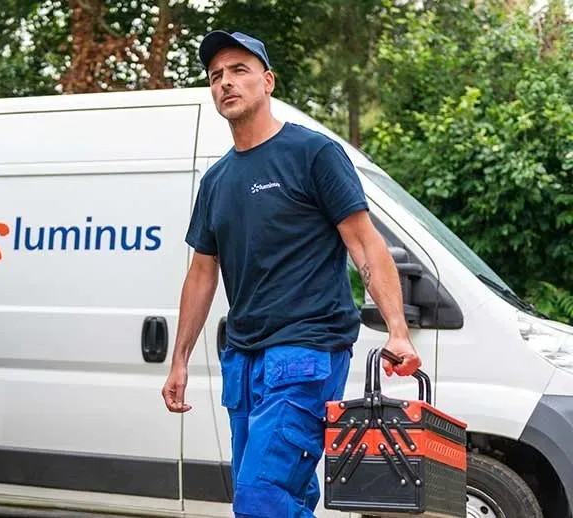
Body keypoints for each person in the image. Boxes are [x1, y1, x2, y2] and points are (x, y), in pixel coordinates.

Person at [160, 30, 422, 518]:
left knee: (259, 499)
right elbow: (201, 273)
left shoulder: (313, 154)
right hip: (243, 359)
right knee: (282, 499)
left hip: (305, 350)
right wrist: (180, 360)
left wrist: (399, 332)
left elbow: (365, 242)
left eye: (239, 70)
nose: (225, 83)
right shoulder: (216, 181)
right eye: (216, 76)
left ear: (268, 80)